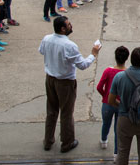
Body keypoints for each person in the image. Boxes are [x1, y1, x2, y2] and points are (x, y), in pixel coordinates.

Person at [40, 16, 99, 153]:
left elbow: (42, 51)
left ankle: (48, 140)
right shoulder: (69, 45)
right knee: (66, 113)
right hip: (65, 82)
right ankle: (67, 142)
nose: (71, 26)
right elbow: (82, 65)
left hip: (50, 79)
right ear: (62, 29)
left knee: (51, 110)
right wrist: (93, 54)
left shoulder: (47, 39)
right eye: (68, 25)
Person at [97, 46, 128, 159]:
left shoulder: (108, 71)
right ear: (126, 58)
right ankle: (116, 153)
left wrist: (105, 95)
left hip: (107, 103)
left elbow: (99, 87)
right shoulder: (127, 73)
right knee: (118, 129)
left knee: (106, 123)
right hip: (121, 104)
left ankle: (104, 140)